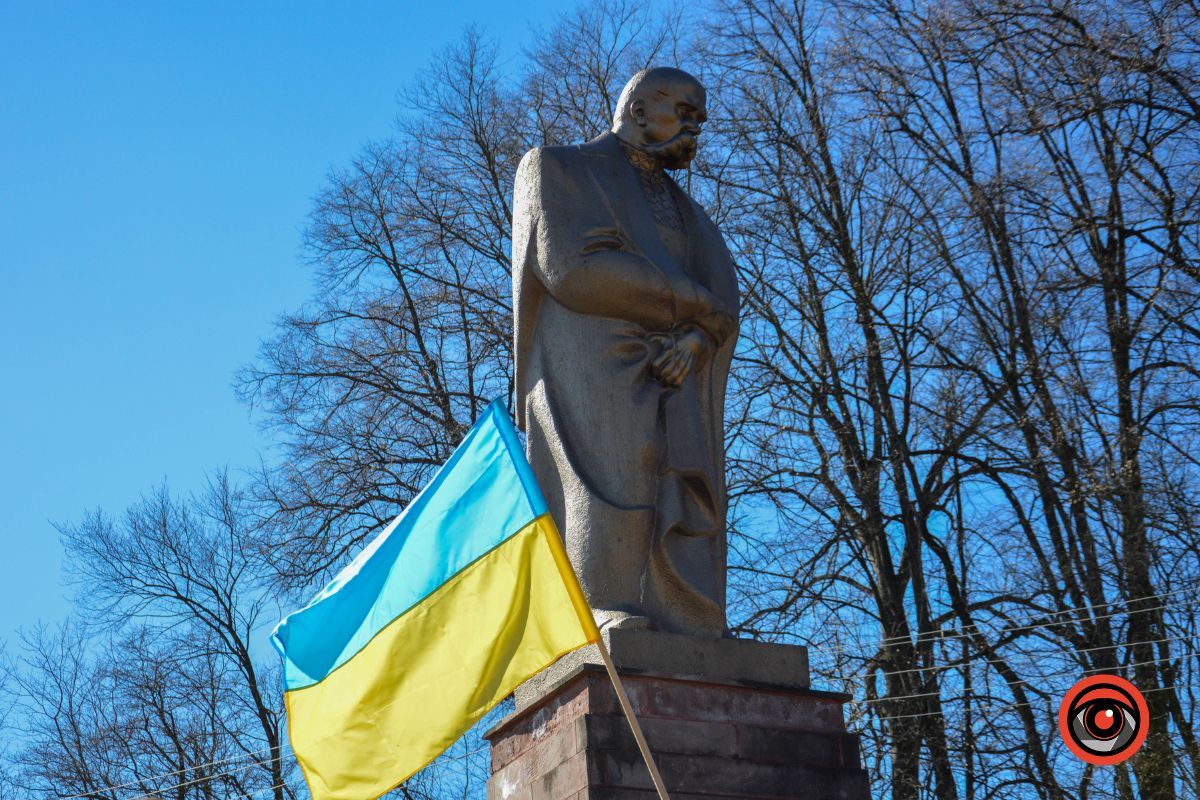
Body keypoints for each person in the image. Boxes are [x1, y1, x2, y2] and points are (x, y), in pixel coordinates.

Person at [511, 67, 739, 637]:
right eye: (685, 112)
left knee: (668, 479)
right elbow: (571, 269)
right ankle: (596, 606)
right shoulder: (558, 167)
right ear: (638, 109)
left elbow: (725, 301)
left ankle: (683, 615)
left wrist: (697, 338)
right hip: (592, 362)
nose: (696, 126)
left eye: (700, 118)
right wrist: (691, 304)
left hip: (676, 372)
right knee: (614, 472)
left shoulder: (690, 213)